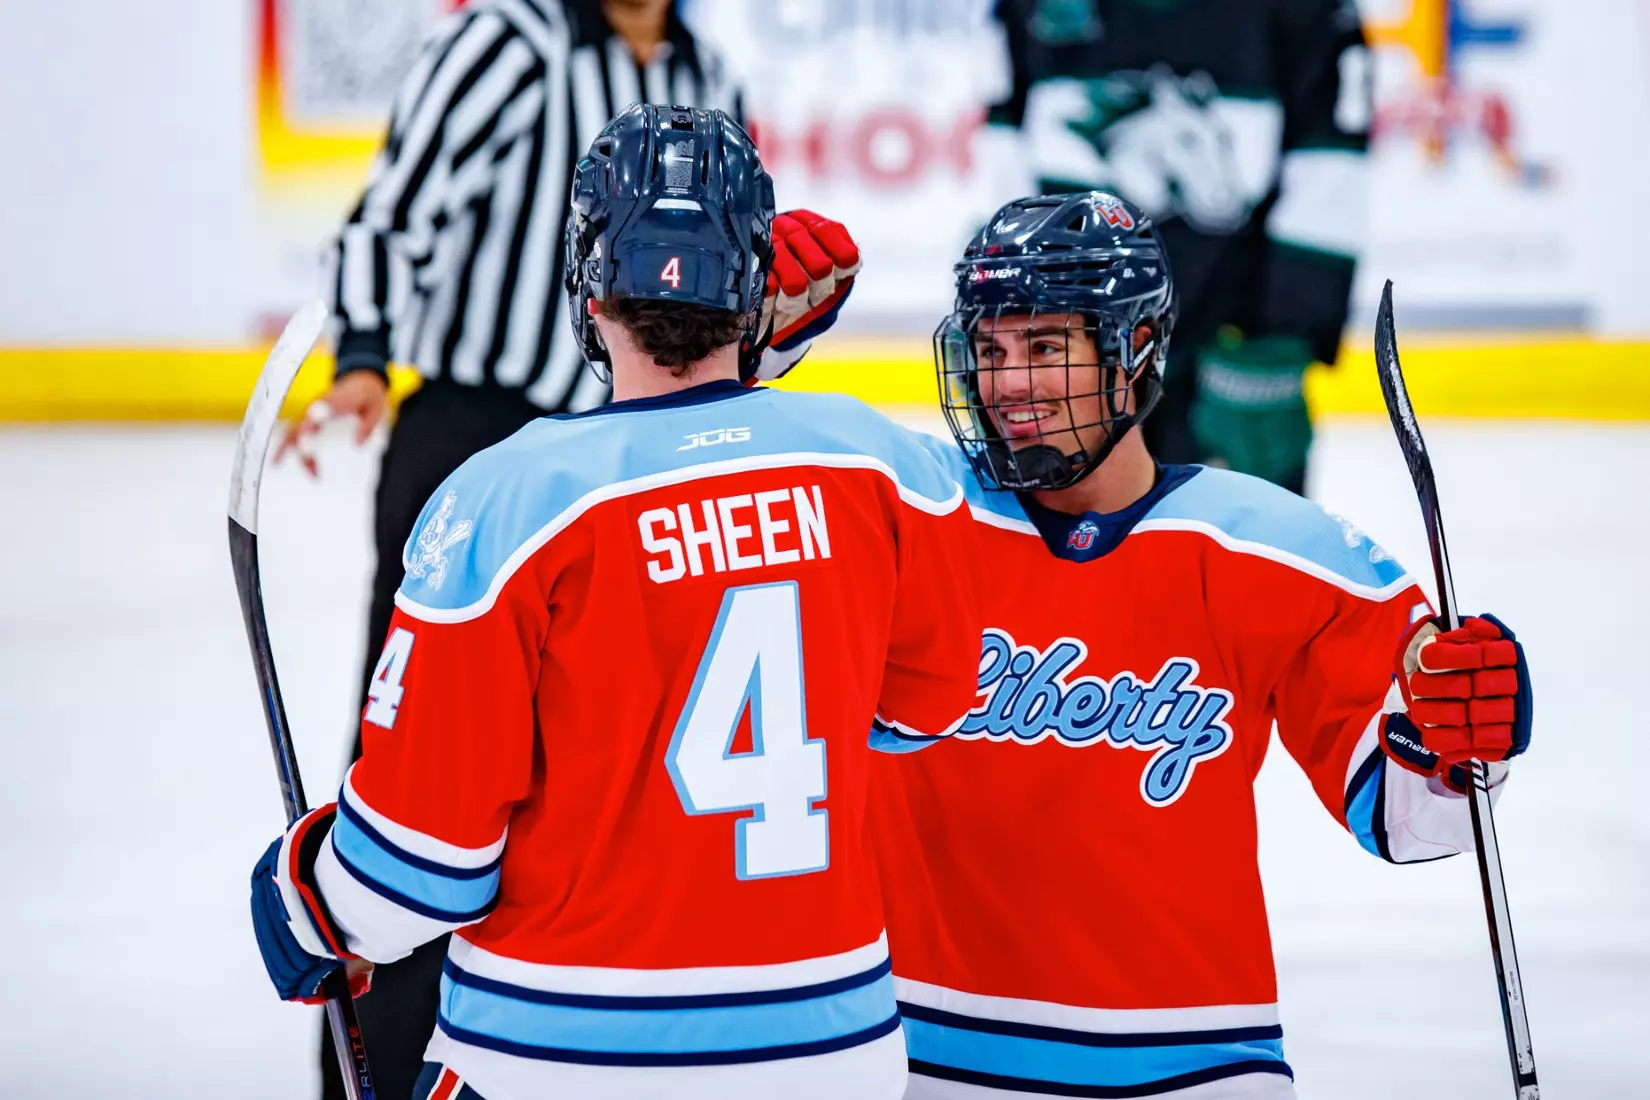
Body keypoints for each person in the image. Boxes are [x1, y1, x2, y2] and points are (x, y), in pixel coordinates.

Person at [248, 105, 984, 1100]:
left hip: (563, 1055)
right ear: (756, 284)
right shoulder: (882, 465)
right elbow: (924, 706)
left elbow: (419, 866)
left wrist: (306, 901)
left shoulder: (507, 502)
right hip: (834, 1047)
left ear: (590, 292)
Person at [835, 192, 1529, 1097]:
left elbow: (1413, 818)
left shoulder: (1272, 552)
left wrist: (1461, 731)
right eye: (991, 350)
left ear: (1134, 356)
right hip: (928, 1061)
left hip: (1198, 1066)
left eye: (1046, 348)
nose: (1006, 384)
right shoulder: (905, 519)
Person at [981, 0, 1372, 492]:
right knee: (1068, 559)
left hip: (1226, 339)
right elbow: (1002, 161)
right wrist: (1001, 311)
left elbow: (1330, 170)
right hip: (1074, 346)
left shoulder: (1304, 11)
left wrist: (1281, 335)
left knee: (1242, 551)